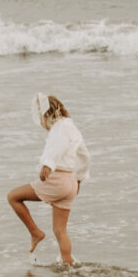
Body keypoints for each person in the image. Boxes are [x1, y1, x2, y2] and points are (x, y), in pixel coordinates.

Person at [9, 94, 89, 265]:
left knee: (13, 197)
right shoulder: (73, 128)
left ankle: (35, 232)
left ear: (48, 114)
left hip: (58, 179)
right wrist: (80, 179)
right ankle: (68, 265)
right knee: (60, 230)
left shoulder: (59, 127)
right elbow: (85, 157)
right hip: (71, 182)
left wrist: (48, 164)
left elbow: (57, 145)